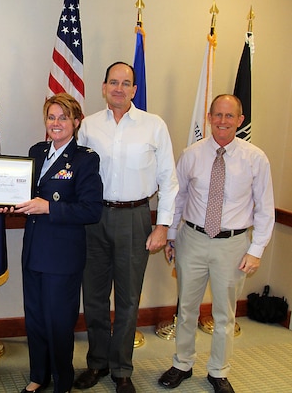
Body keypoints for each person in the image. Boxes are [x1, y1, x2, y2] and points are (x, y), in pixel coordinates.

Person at [158, 94, 275, 393]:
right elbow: (178, 198)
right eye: (217, 115)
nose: (222, 121)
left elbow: (265, 208)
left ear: (240, 120)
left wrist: (256, 250)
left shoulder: (255, 158)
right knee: (186, 309)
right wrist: (171, 236)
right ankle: (182, 363)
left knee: (225, 313)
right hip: (192, 240)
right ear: (208, 118)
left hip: (233, 245)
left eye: (229, 116)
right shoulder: (192, 154)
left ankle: (218, 371)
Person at [74, 61, 178, 393]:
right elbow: (75, 173)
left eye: (126, 83)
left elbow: (169, 180)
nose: (119, 88)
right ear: (104, 87)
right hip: (94, 218)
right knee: (94, 296)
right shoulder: (88, 126)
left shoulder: (154, 125)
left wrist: (162, 225)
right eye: (113, 82)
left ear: (134, 90)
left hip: (135, 217)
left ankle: (121, 369)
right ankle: (97, 363)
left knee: (129, 298)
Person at [11, 93, 103, 393]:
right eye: (51, 117)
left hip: (62, 256)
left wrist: (48, 206)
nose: (56, 123)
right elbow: (23, 195)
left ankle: (63, 381)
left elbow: (92, 209)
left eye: (63, 117)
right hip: (34, 250)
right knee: (35, 319)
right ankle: (39, 375)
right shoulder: (36, 151)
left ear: (76, 122)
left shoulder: (85, 159)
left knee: (59, 324)